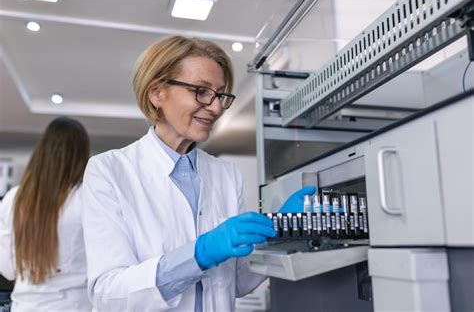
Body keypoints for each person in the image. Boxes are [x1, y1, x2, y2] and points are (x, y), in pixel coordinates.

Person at [81, 35, 315, 311]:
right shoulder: (109, 171)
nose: (216, 108)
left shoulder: (226, 174)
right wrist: (198, 254)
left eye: (219, 94)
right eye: (201, 91)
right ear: (157, 92)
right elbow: (108, 293)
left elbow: (237, 281)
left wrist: (282, 232)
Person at [0, 117, 91, 311]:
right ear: (82, 156)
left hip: (25, 306)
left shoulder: (14, 199)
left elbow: (8, 270)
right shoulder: (88, 198)